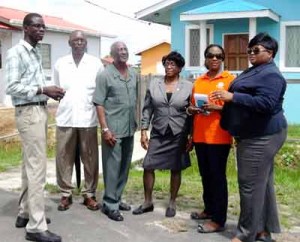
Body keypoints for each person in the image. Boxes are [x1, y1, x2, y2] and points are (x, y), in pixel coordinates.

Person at [211, 33, 287, 242]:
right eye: (250, 50)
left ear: (270, 53)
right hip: (253, 134)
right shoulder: (257, 70)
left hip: (262, 136)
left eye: (256, 50)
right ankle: (263, 231)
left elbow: (266, 103)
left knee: (250, 185)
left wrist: (233, 96)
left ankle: (246, 234)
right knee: (262, 184)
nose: (251, 54)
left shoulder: (271, 75)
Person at [5, 13, 64, 242]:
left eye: (43, 27)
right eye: (37, 26)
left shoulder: (35, 52)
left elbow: (33, 85)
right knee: (37, 168)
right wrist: (43, 89)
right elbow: (12, 86)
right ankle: (36, 227)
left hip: (38, 110)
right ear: (25, 28)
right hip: (29, 112)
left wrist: (51, 92)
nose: (42, 30)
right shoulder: (15, 53)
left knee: (28, 165)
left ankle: (25, 213)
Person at [132, 51, 192, 218]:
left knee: (176, 167)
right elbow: (147, 109)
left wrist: (191, 136)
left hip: (179, 132)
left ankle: (172, 202)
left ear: (180, 68)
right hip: (158, 131)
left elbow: (192, 113)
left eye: (173, 64)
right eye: (167, 64)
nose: (169, 67)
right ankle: (147, 202)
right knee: (148, 164)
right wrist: (144, 131)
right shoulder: (154, 84)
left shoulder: (188, 86)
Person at [187, 44, 235, 232]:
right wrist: (192, 109)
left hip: (219, 137)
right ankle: (209, 209)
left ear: (223, 59)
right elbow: (191, 106)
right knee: (205, 176)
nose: (214, 59)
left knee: (217, 177)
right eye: (210, 56)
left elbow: (237, 108)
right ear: (205, 59)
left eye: (218, 56)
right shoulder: (199, 81)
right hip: (200, 136)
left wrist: (219, 108)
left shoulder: (230, 80)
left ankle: (219, 220)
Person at [53, 30, 103, 211]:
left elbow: (101, 91)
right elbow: (58, 89)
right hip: (65, 117)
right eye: (75, 40)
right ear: (69, 42)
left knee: (90, 158)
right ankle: (65, 194)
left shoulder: (95, 63)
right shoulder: (60, 63)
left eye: (82, 40)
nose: (79, 42)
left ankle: (89, 194)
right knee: (63, 157)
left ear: (86, 42)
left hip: (88, 118)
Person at [93, 41, 137, 222]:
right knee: (112, 167)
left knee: (124, 166)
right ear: (112, 54)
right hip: (113, 130)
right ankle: (110, 204)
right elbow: (99, 103)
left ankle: (117, 199)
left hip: (129, 128)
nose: (123, 52)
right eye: (119, 50)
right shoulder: (105, 75)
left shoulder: (133, 74)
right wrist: (104, 129)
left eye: (125, 49)